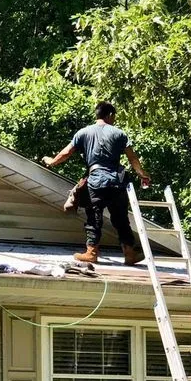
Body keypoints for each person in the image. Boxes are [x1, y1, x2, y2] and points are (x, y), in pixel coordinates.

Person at [42, 102, 151, 265]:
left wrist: (51, 162)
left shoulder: (83, 132)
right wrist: (142, 175)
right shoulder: (119, 133)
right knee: (121, 218)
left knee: (94, 216)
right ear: (110, 115)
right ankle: (129, 253)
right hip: (116, 181)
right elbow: (132, 158)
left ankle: (92, 252)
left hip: (96, 180)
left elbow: (66, 152)